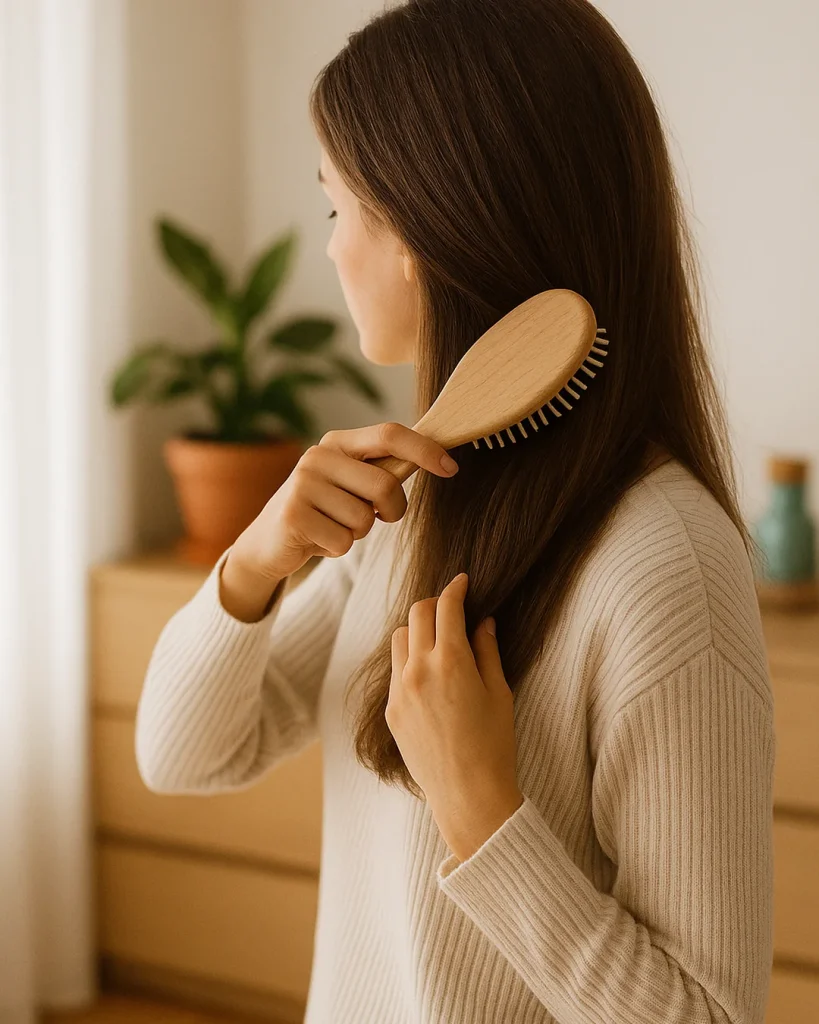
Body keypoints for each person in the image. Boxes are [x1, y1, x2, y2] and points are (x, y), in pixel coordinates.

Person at [135, 1, 775, 1021]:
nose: (332, 248)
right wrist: (256, 561)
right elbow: (182, 754)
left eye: (338, 208)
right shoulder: (413, 506)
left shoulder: (666, 568)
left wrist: (486, 810)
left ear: (425, 234)